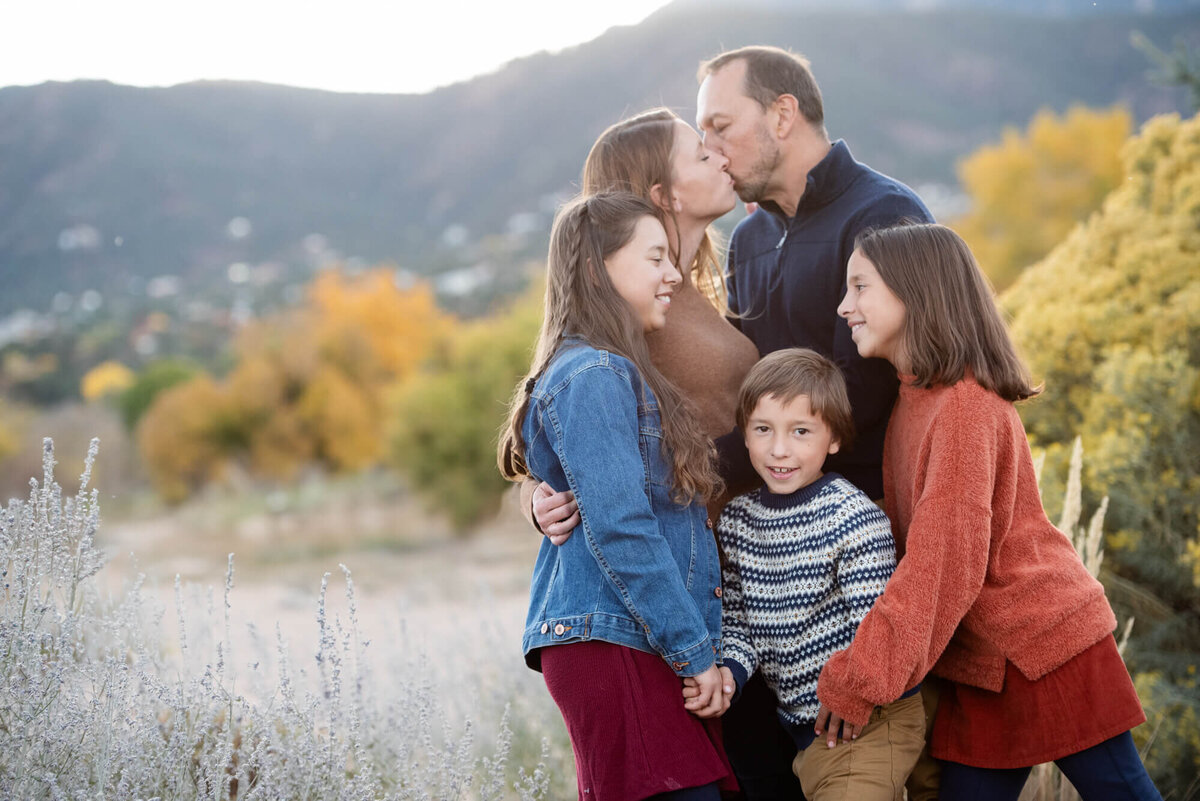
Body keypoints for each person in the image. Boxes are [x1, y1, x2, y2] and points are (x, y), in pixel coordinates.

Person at [815, 222, 1161, 801]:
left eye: (860, 287)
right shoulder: (916, 398)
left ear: (914, 290)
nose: (844, 305)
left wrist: (859, 679)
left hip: (1044, 647)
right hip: (980, 665)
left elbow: (942, 566)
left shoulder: (964, 407)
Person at [694, 45, 938, 800]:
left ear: (782, 113)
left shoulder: (883, 214)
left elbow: (859, 400)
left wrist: (686, 467)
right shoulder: (750, 242)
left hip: (867, 556)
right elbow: (757, 398)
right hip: (765, 565)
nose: (710, 149)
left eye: (720, 125)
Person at [498, 191, 737, 801]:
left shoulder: (608, 368)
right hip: (613, 642)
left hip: (629, 636)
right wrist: (695, 654)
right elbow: (623, 527)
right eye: (655, 257)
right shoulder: (594, 375)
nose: (673, 274)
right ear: (602, 268)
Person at [686, 347, 925, 800]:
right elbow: (738, 621)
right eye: (763, 430)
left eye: (800, 431)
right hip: (804, 727)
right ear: (744, 435)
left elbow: (878, 631)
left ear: (832, 437)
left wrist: (853, 695)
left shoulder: (851, 517)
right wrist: (731, 673)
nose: (780, 450)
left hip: (871, 717)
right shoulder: (736, 521)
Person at [524, 107, 760, 536]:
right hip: (690, 554)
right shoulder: (635, 305)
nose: (721, 159)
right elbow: (560, 402)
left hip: (736, 547)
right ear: (665, 195)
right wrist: (538, 495)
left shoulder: (685, 292)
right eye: (702, 157)